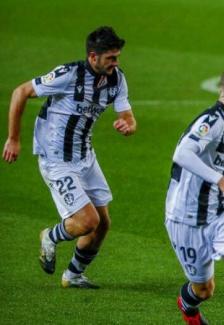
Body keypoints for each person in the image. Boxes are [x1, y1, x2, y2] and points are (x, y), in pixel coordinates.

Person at [2, 26, 136, 288]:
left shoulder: (117, 79)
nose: (115, 63)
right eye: (110, 58)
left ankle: (73, 275)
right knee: (87, 221)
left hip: (86, 156)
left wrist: (129, 125)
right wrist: (13, 138)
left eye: (117, 57)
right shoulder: (68, 74)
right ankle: (50, 236)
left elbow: (127, 116)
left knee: (103, 224)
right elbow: (20, 92)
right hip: (56, 159)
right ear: (93, 57)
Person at [165, 67, 224, 324]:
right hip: (185, 217)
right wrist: (222, 182)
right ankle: (188, 306)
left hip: (220, 212)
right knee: (203, 290)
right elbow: (182, 154)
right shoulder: (213, 121)